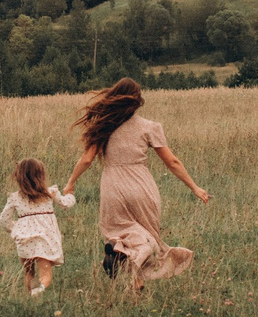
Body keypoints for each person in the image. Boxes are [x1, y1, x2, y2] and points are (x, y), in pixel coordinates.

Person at [63, 77, 208, 293]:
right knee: (149, 239)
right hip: (142, 187)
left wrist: (71, 183)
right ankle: (130, 267)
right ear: (138, 100)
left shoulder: (104, 126)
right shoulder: (150, 127)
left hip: (113, 187)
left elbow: (86, 159)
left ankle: (132, 278)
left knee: (119, 235)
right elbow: (172, 162)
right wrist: (194, 187)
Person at [0, 157, 76, 295]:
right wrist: (70, 195)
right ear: (41, 175)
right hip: (45, 239)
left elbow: (3, 220)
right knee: (45, 275)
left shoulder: (15, 198)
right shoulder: (49, 193)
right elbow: (66, 204)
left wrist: (15, 228)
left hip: (24, 240)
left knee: (29, 273)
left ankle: (30, 298)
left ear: (18, 177)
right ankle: (39, 292)